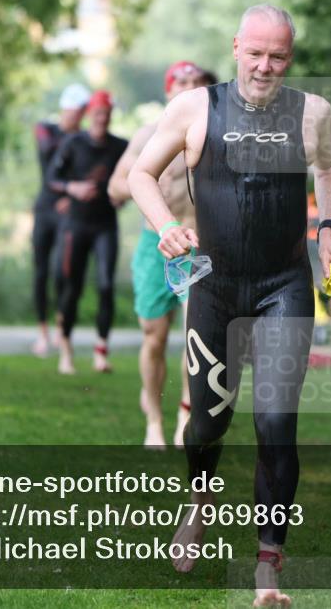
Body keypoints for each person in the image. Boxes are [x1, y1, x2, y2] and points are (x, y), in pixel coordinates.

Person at [128, 4, 331, 607]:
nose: (264, 66)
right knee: (207, 424)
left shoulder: (312, 113)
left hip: (284, 287)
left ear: (290, 58)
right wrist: (165, 227)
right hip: (214, 289)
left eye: (277, 56)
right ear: (236, 47)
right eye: (255, 53)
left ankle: (267, 565)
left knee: (276, 424)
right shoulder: (195, 108)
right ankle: (200, 499)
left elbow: (329, 168)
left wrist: (329, 231)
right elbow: (140, 176)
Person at [109, 62, 213, 450]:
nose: (189, 88)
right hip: (155, 246)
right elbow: (117, 185)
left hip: (198, 246)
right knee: (154, 337)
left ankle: (185, 412)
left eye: (197, 83)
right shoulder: (148, 135)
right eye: (182, 82)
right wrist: (149, 182)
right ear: (168, 90)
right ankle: (153, 420)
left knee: (195, 335)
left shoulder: (215, 134)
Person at [47, 90, 128, 375]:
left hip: (105, 225)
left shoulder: (120, 146)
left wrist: (123, 195)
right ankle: (66, 352)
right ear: (89, 114)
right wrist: (73, 188)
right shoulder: (73, 143)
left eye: (107, 114)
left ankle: (101, 351)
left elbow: (134, 177)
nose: (102, 119)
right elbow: (52, 178)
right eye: (98, 113)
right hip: (76, 225)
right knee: (72, 287)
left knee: (106, 286)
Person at [31, 83, 90, 358]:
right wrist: (75, 139)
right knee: (41, 271)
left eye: (79, 111)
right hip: (44, 208)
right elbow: (48, 151)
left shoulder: (83, 139)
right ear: (64, 108)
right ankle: (42, 332)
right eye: (71, 109)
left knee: (62, 272)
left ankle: (60, 326)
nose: (74, 115)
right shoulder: (46, 129)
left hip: (68, 212)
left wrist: (73, 197)